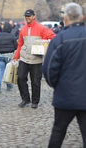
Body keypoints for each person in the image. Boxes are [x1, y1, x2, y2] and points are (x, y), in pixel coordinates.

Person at [42, 3, 86, 148]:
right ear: (82, 17)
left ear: (65, 18)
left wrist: (58, 86)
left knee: (58, 131)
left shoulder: (59, 39)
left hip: (65, 95)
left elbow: (48, 70)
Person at [13, 9, 55, 108]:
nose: (27, 18)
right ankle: (25, 99)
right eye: (26, 16)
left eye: (29, 16)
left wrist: (46, 46)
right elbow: (20, 44)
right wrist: (16, 56)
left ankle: (35, 101)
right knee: (20, 78)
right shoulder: (22, 29)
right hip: (24, 58)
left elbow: (53, 36)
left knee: (35, 81)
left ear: (34, 16)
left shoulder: (41, 28)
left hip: (36, 60)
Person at [0, 22, 18, 93]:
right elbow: (16, 46)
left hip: (0, 56)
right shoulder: (12, 36)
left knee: (0, 71)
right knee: (9, 71)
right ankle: (9, 84)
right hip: (9, 56)